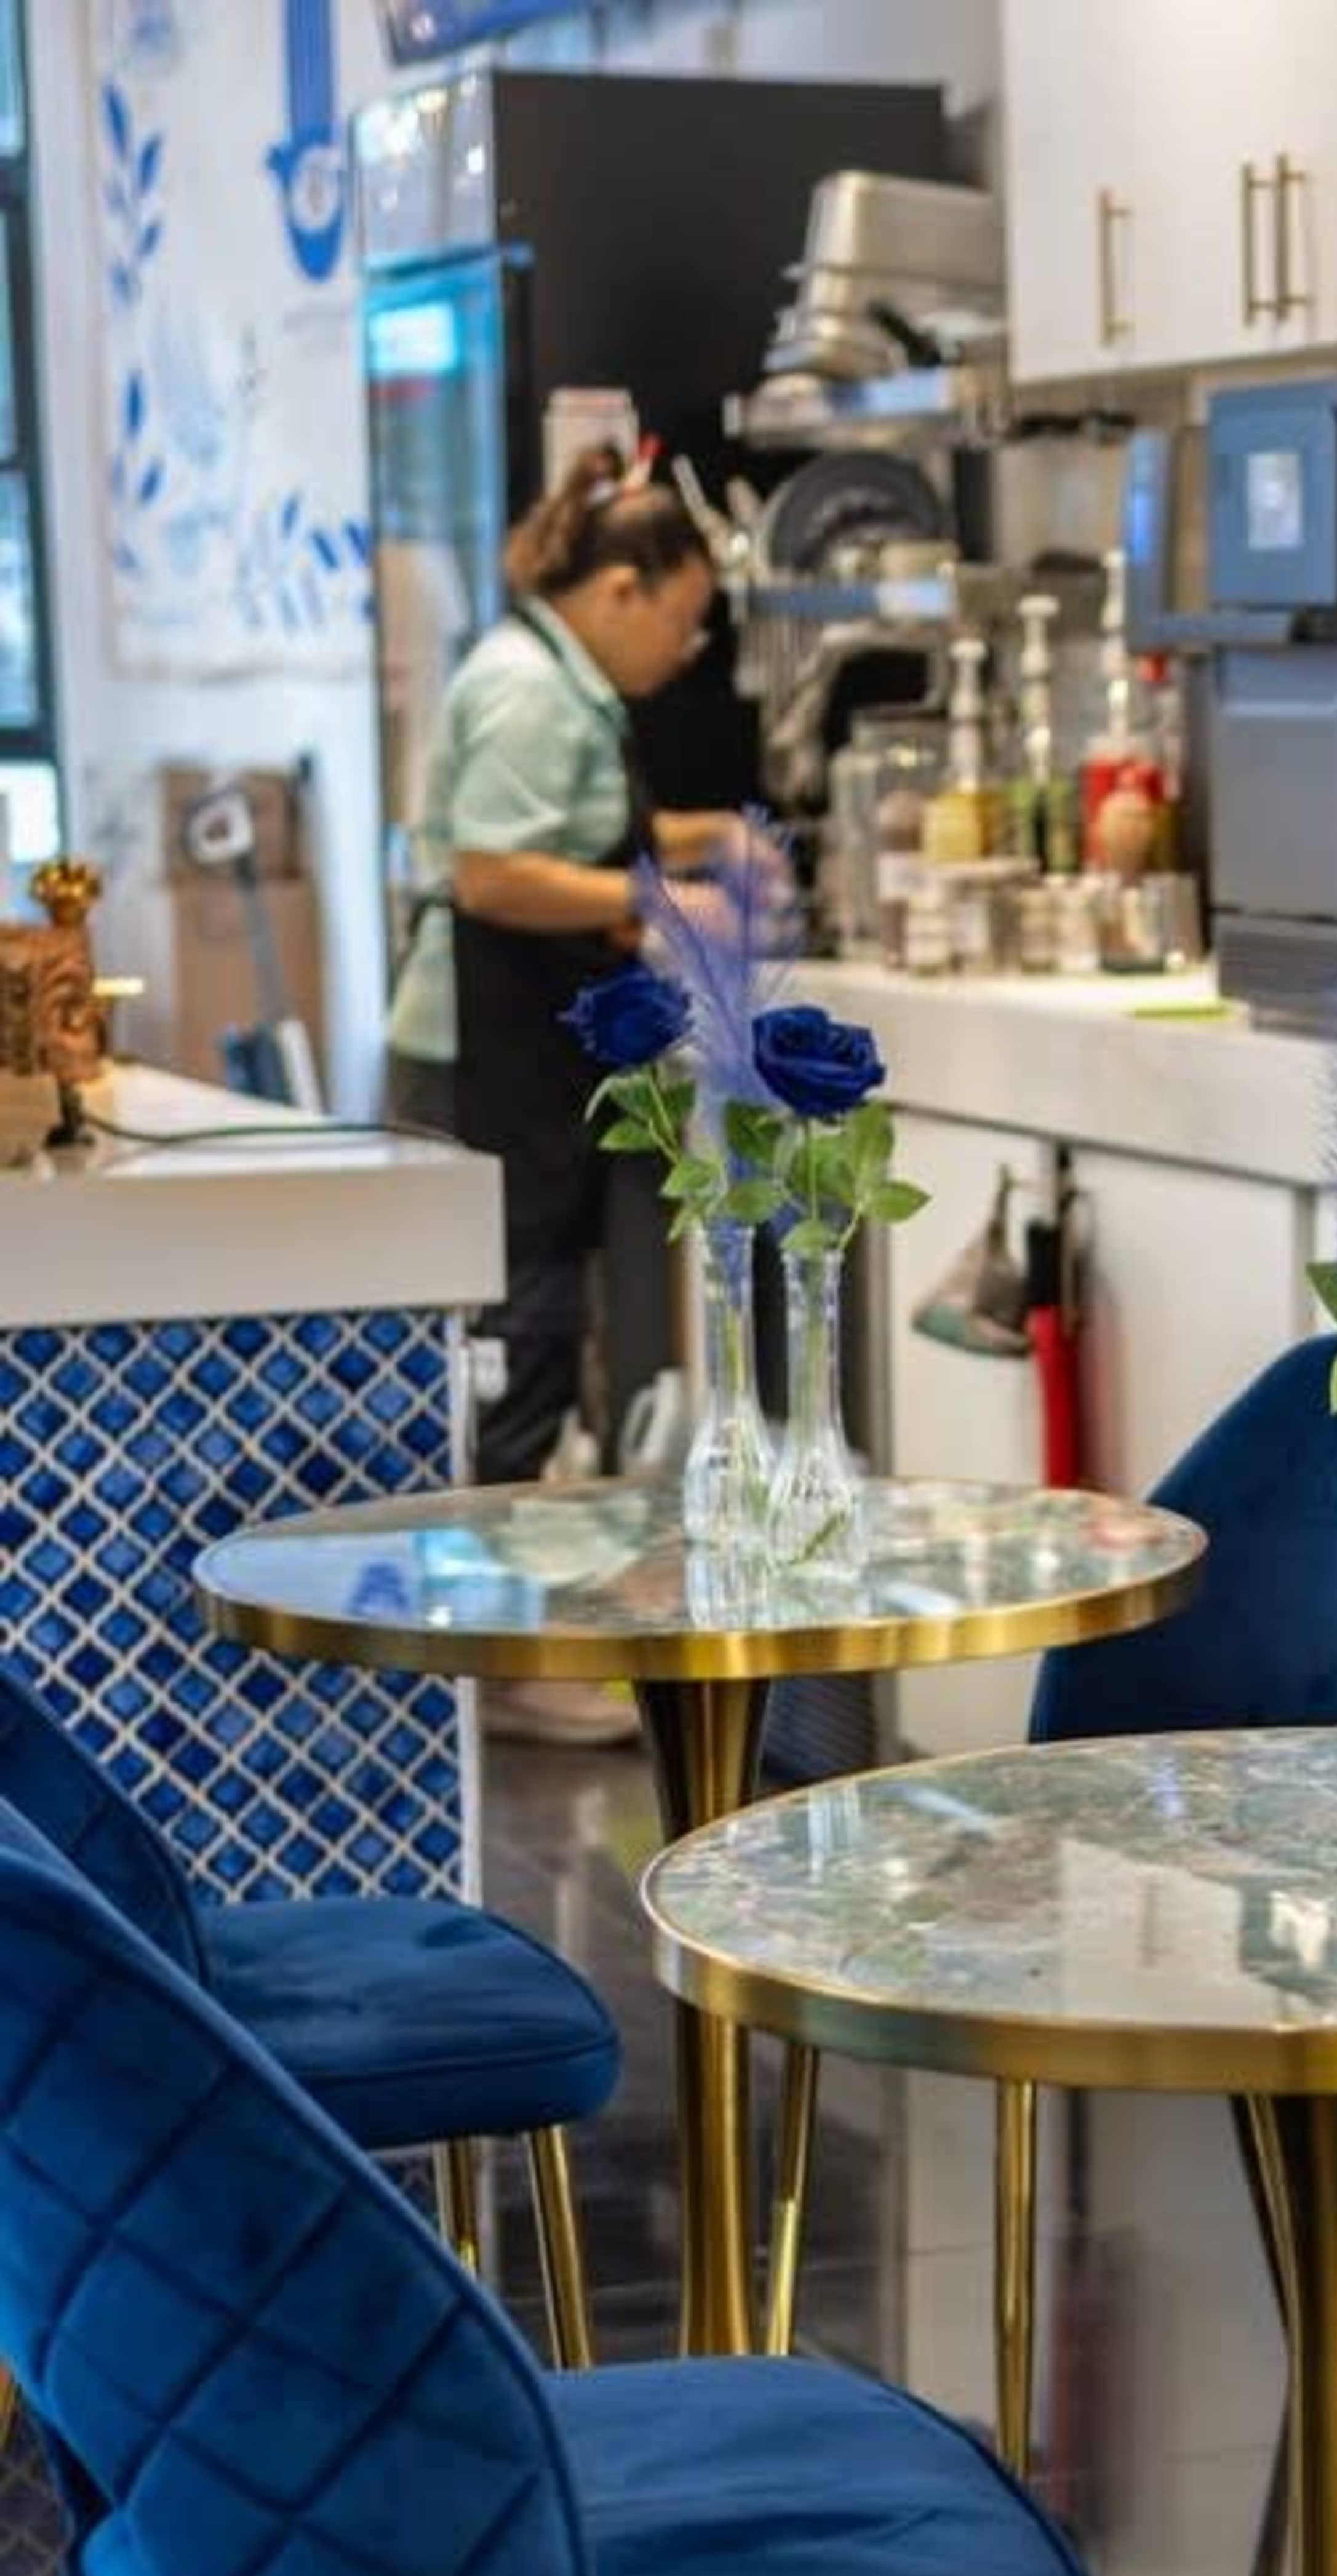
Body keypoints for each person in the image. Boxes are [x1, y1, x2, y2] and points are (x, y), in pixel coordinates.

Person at [385, 445, 766, 1741]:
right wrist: (655, 900)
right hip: (488, 1061)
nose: (686, 642)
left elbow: (574, 831)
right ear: (619, 588)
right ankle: (495, 1672)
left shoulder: (545, 678)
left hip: (518, 1055)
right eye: (682, 614)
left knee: (535, 1327)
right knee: (516, 1343)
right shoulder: (539, 694)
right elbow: (497, 874)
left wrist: (702, 835)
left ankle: (506, 1651)